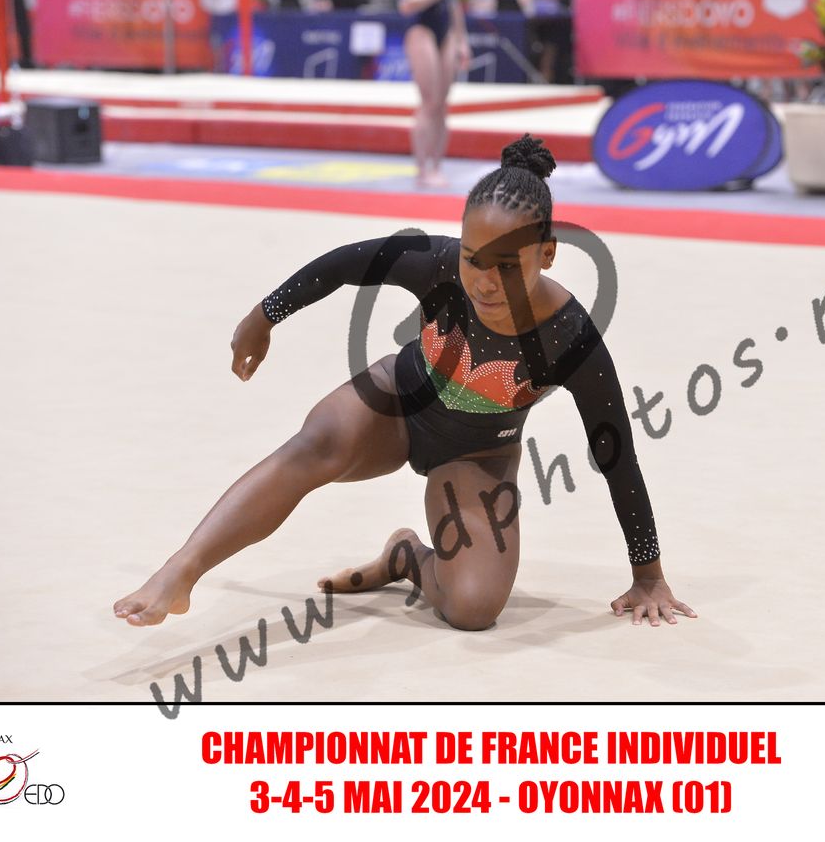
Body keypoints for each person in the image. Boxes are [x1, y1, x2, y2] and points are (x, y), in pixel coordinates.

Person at [113, 135, 695, 631]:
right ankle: (180, 571)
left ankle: (408, 557)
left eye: (507, 266)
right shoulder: (438, 264)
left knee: (474, 610)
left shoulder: (570, 337)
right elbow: (347, 262)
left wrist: (648, 575)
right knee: (315, 444)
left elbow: (614, 450)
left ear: (546, 255)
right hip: (394, 404)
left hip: (478, 455)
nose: (484, 282)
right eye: (474, 258)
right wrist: (264, 316)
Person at [397, 0, 471, 187]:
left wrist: (462, 40)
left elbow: (453, 4)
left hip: (447, 31)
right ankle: (422, 169)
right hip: (421, 29)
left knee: (441, 105)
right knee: (429, 102)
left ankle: (436, 167)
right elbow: (406, 5)